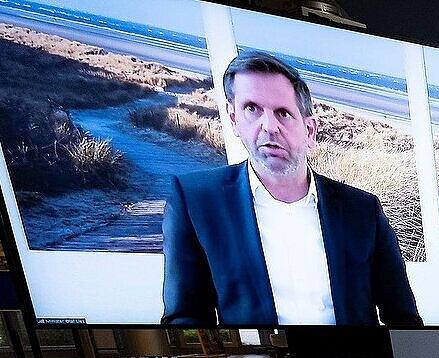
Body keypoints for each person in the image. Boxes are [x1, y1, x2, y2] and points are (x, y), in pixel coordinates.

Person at [162, 51, 422, 326]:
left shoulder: (362, 210)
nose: (269, 126)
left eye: (283, 113)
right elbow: (184, 319)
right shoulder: (196, 201)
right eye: (252, 109)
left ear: (310, 131)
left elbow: (403, 318)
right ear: (233, 118)